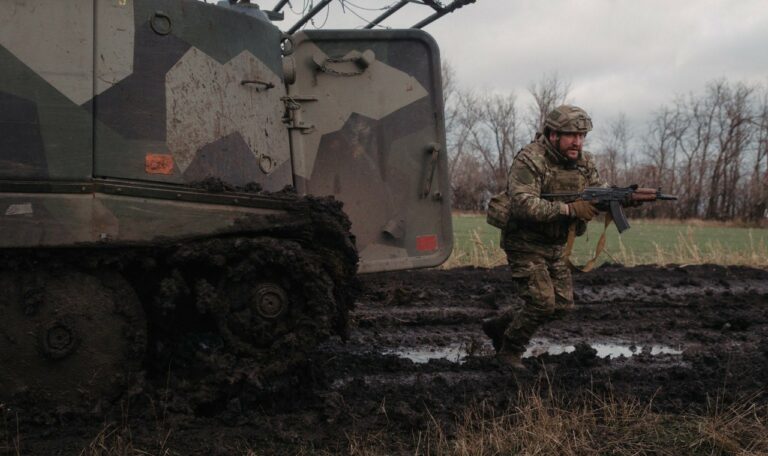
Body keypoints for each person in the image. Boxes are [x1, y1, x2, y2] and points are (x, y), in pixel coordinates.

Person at [482, 105, 605, 369]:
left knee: (561, 305)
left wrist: (623, 200)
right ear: (553, 135)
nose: (578, 142)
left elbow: (599, 191)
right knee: (540, 302)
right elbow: (523, 204)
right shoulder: (530, 159)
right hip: (524, 242)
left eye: (582, 135)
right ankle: (509, 352)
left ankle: (499, 325)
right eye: (572, 135)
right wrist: (570, 209)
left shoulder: (584, 162)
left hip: (555, 242)